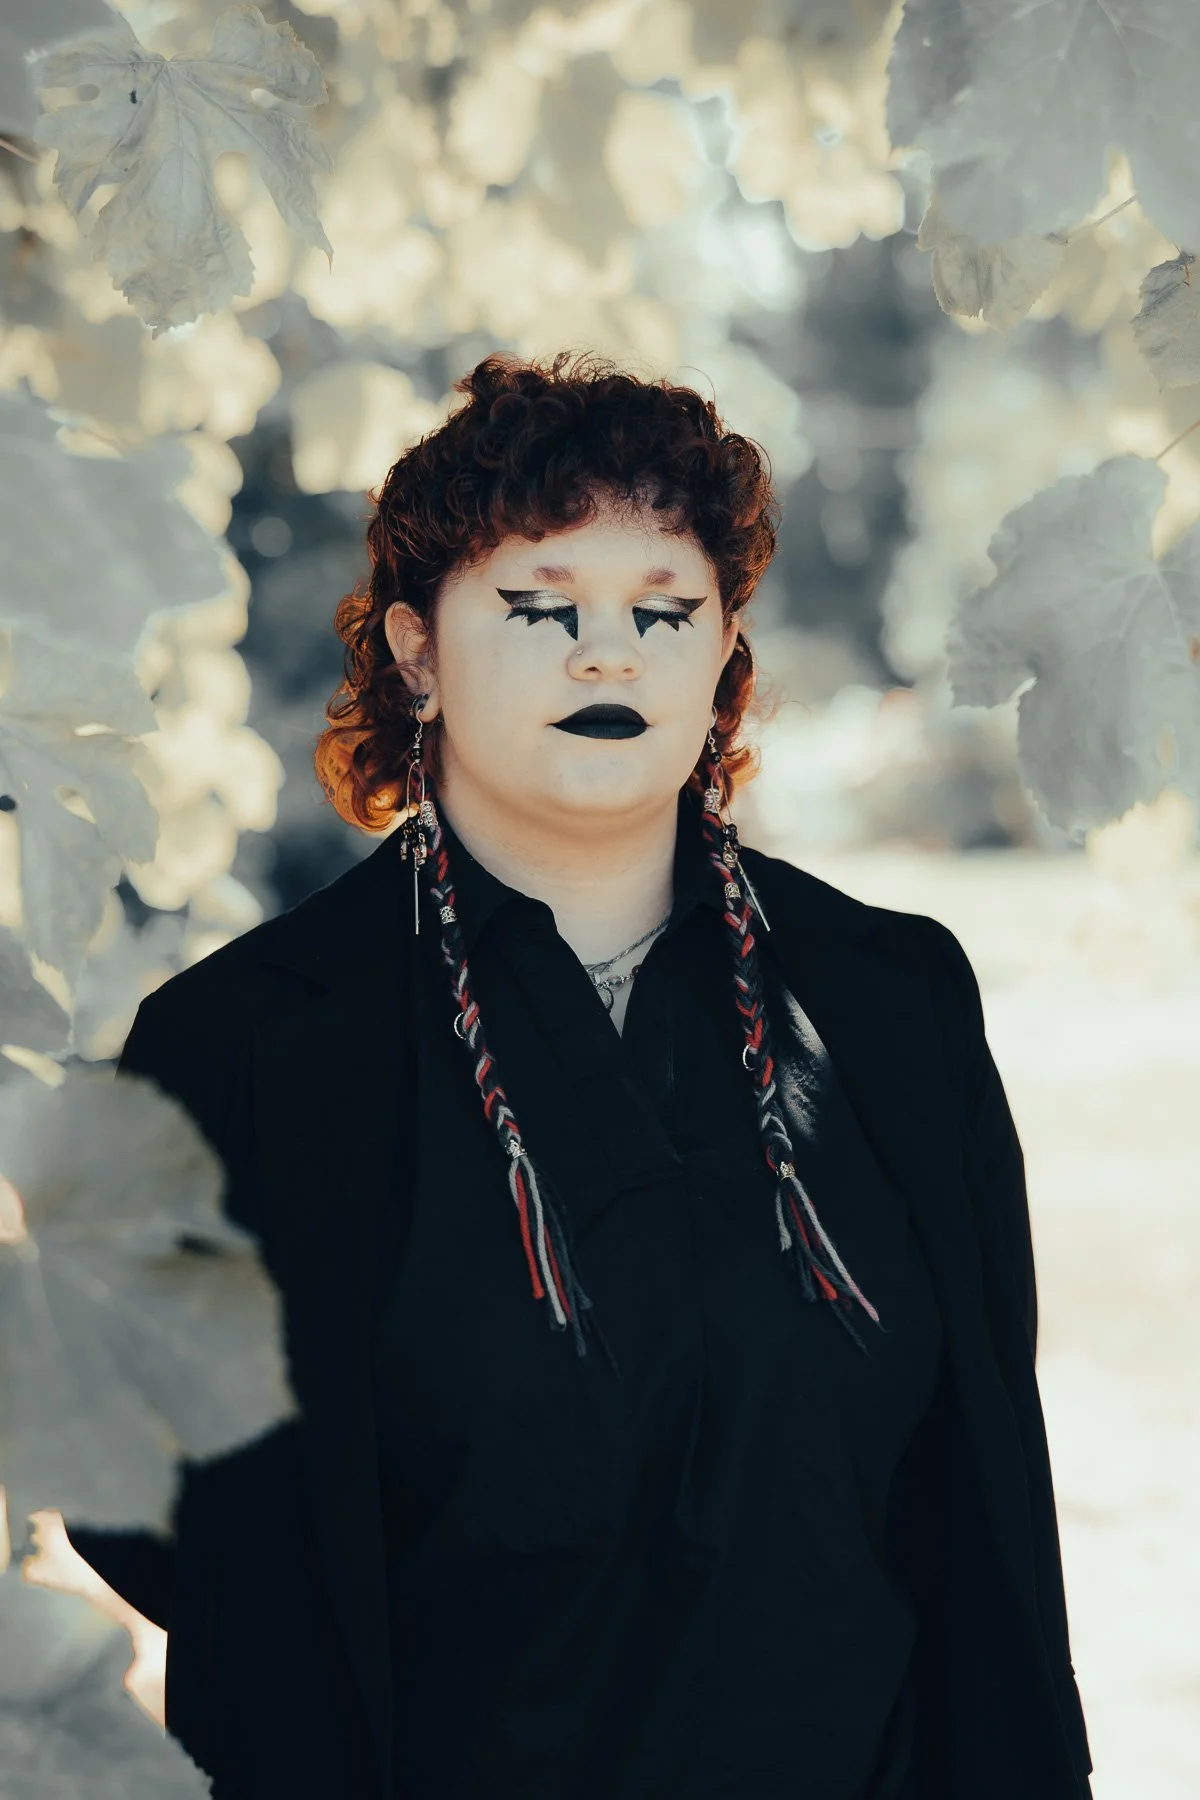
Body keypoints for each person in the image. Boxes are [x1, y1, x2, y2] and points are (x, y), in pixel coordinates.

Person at [65, 350, 1094, 1799]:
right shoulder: (238, 1048)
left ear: (725, 645)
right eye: (540, 607)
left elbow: (974, 1451)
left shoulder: (893, 1002)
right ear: (417, 649)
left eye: (662, 611)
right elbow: (161, 1515)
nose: (608, 654)